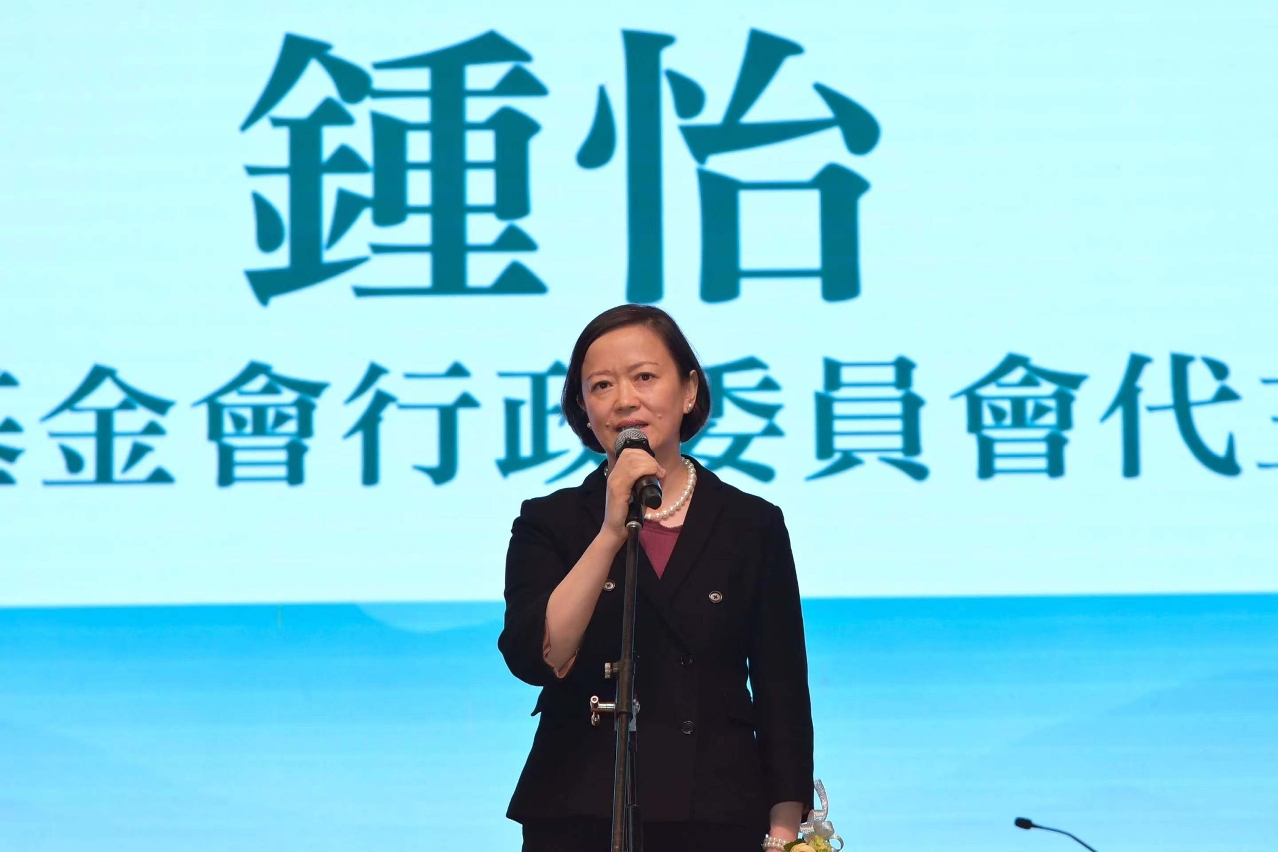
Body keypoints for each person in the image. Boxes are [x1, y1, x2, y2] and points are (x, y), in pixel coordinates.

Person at [498, 305, 814, 851]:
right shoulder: (549, 521)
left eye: (644, 376)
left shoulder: (751, 524)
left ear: (689, 390)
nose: (624, 400)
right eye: (601, 385)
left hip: (714, 812)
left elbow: (781, 691)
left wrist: (785, 836)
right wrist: (610, 530)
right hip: (578, 809)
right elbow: (536, 658)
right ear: (584, 409)